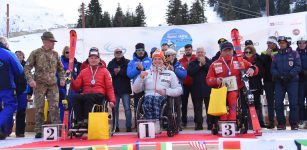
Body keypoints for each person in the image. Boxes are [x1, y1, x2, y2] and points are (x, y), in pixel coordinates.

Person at [206, 42, 258, 131]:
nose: (227, 52)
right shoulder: (215, 64)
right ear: (221, 52)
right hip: (220, 91)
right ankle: (223, 120)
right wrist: (216, 80)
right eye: (225, 50)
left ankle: (232, 120)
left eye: (229, 50)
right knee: (221, 98)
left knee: (233, 95)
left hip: (235, 90)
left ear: (233, 50)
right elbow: (208, 80)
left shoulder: (239, 61)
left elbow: (254, 68)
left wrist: (252, 69)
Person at [24, 31, 65, 138]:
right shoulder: (35, 53)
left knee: (54, 107)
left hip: (52, 85)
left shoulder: (55, 54)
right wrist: (30, 80)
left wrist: (62, 78)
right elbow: (27, 68)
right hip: (39, 85)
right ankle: (38, 130)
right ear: (45, 41)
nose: (53, 44)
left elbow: (61, 69)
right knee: (39, 108)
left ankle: (57, 129)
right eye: (52, 42)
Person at [71, 48, 115, 126]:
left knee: (89, 96)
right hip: (87, 94)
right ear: (88, 59)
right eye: (91, 58)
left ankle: (87, 120)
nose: (93, 60)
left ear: (99, 60)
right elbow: (76, 87)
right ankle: (79, 120)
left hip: (99, 95)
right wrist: (70, 79)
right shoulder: (83, 72)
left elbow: (109, 87)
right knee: (75, 97)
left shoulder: (105, 71)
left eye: (95, 58)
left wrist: (112, 100)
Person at [133, 50, 183, 119]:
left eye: (159, 59)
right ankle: (151, 122)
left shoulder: (170, 73)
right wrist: (140, 78)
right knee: (149, 100)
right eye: (155, 59)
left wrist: (166, 91)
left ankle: (157, 122)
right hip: (148, 97)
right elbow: (136, 90)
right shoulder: (146, 73)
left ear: (163, 60)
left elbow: (179, 90)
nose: (157, 61)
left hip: (163, 98)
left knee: (156, 101)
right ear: (152, 60)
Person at [271, 36, 301, 130]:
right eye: (280, 43)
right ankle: (281, 123)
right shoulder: (275, 55)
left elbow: (298, 66)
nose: (281, 44)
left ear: (287, 43)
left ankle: (294, 123)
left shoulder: (294, 53)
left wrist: (290, 75)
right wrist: (279, 76)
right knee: (278, 103)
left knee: (293, 103)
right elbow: (272, 68)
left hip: (292, 81)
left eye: (283, 43)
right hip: (279, 82)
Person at [0, 37, 25, 140]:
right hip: (6, 86)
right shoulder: (8, 54)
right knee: (11, 105)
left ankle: (3, 132)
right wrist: (22, 86)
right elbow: (19, 70)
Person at [187, 47, 213, 130]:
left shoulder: (209, 61)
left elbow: (211, 71)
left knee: (210, 108)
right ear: (196, 53)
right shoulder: (192, 62)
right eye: (198, 52)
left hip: (208, 89)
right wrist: (199, 65)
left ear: (205, 53)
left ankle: (210, 125)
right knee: (197, 109)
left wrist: (204, 64)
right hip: (196, 89)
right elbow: (190, 73)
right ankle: (198, 125)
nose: (200, 54)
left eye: (202, 52)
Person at [107, 48, 132, 132]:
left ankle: (128, 126)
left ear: (122, 53)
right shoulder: (111, 63)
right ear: (114, 54)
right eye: (116, 52)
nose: (118, 53)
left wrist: (120, 71)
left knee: (127, 108)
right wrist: (114, 73)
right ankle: (115, 127)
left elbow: (129, 74)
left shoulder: (128, 62)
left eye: (120, 52)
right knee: (115, 109)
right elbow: (108, 75)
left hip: (125, 89)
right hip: (115, 89)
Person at [243, 45, 266, 127]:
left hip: (256, 85)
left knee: (257, 104)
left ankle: (259, 122)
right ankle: (249, 123)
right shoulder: (242, 61)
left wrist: (254, 71)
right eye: (246, 52)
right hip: (246, 85)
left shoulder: (258, 60)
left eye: (250, 52)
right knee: (246, 105)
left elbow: (262, 72)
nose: (248, 54)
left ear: (253, 52)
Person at [165, 48, 187, 130]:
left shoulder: (178, 64)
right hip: (167, 89)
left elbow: (184, 75)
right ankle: (170, 125)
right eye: (167, 55)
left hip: (176, 89)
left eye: (170, 55)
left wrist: (174, 70)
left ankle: (178, 125)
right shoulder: (163, 65)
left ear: (174, 56)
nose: (169, 57)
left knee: (178, 107)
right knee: (168, 108)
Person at [260, 36, 279, 129]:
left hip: (279, 81)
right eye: (267, 43)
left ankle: (280, 122)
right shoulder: (263, 53)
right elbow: (261, 65)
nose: (269, 45)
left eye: (270, 43)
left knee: (279, 102)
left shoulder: (280, 52)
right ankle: (271, 122)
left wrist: (273, 57)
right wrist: (267, 56)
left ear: (275, 44)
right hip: (268, 81)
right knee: (270, 102)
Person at [58, 46, 80, 122]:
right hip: (63, 89)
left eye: (71, 52)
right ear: (64, 53)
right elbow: (57, 75)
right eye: (67, 52)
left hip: (72, 89)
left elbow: (77, 76)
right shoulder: (60, 62)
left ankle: (70, 125)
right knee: (64, 107)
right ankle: (64, 125)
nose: (69, 54)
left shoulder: (75, 63)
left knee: (72, 106)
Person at [127, 43, 152, 110]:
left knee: (148, 108)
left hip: (149, 87)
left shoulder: (150, 60)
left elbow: (152, 72)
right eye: (138, 50)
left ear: (144, 50)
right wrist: (137, 69)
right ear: (135, 51)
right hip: (137, 88)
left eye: (142, 50)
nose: (140, 52)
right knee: (138, 108)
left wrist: (143, 69)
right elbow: (129, 74)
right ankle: (138, 119)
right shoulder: (131, 62)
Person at [179, 44, 196, 127]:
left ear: (192, 50)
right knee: (184, 104)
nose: (188, 51)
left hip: (194, 84)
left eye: (189, 49)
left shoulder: (196, 59)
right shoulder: (180, 60)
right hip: (184, 85)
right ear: (185, 51)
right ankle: (184, 121)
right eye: (186, 50)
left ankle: (197, 121)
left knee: (196, 103)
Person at [297, 36, 307, 129]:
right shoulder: (295, 53)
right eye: (300, 43)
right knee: (300, 102)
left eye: (303, 42)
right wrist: (301, 72)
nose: (302, 44)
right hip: (300, 81)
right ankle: (302, 120)